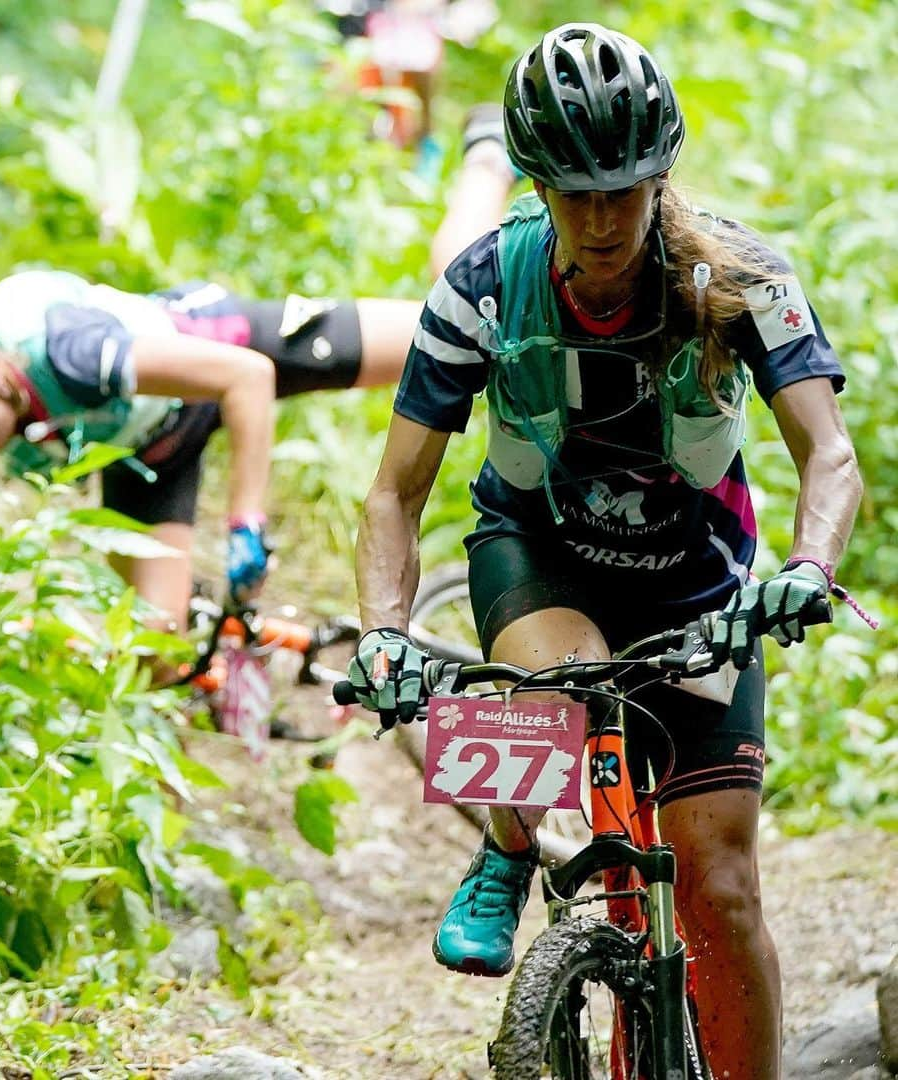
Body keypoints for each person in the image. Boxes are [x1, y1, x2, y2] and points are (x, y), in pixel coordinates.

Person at [347, 22, 865, 1080]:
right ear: (535, 184)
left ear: (660, 174)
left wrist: (807, 569)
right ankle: (502, 845)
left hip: (702, 583)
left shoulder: (742, 274)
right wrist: (383, 635)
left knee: (722, 887)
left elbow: (831, 456)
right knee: (554, 684)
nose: (598, 218)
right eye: (573, 192)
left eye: (621, 190)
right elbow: (395, 494)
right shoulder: (481, 288)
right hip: (538, 553)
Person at [0, 139, 514, 657]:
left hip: (213, 348)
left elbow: (247, 378)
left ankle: (487, 157)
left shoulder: (72, 352)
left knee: (461, 322)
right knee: (157, 654)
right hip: (145, 447)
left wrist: (246, 525)